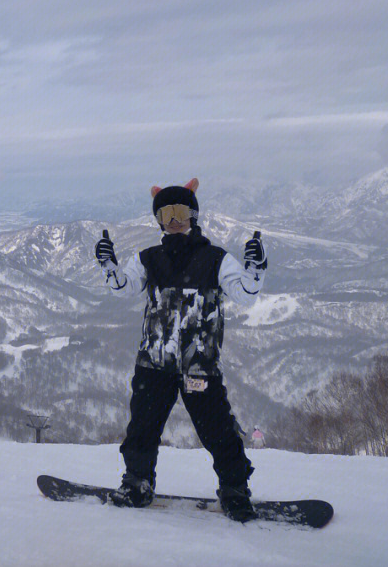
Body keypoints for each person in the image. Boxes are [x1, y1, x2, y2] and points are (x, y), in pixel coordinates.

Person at [94, 178, 267, 522]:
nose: (174, 219)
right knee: (143, 427)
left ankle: (234, 489)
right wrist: (110, 267)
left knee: (217, 429)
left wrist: (255, 268)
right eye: (166, 213)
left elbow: (245, 293)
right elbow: (124, 289)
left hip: (198, 365)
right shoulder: (148, 258)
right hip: (154, 362)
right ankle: (137, 482)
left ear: (194, 214)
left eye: (181, 211)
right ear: (158, 219)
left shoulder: (216, 259)